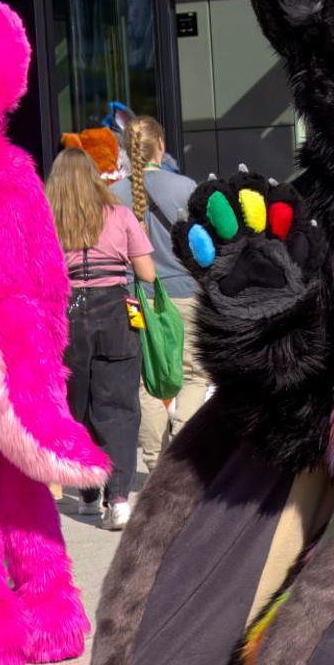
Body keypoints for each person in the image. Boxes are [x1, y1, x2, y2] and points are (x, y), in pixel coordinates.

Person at [46, 146, 155, 530]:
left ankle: (88, 492)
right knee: (119, 407)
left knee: (75, 406)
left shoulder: (46, 219)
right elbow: (146, 273)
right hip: (115, 313)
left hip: (65, 315)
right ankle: (120, 498)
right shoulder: (120, 214)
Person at [110, 115, 208, 471]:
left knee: (146, 379)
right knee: (195, 374)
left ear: (125, 150)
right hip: (184, 293)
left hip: (134, 298)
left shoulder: (111, 195)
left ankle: (154, 464)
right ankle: (186, 445)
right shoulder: (185, 188)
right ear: (161, 146)